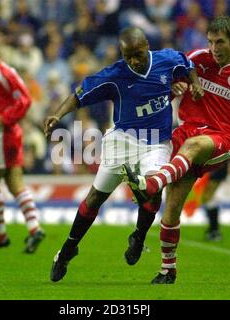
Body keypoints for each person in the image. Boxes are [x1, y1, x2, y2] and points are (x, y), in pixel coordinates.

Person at [122, 16, 230, 284]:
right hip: (185, 136)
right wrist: (173, 86)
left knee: (190, 150)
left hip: (221, 138)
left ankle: (152, 183)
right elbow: (160, 84)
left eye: (220, 42)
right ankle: (168, 271)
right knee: (170, 210)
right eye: (211, 42)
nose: (214, 48)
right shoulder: (195, 59)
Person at [44, 27, 203, 282]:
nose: (133, 61)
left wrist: (193, 82)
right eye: (128, 56)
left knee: (153, 189)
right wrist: (57, 115)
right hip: (123, 140)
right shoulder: (116, 74)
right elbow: (79, 94)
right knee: (96, 197)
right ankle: (68, 249)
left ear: (147, 46)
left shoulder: (168, 60)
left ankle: (138, 237)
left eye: (138, 55)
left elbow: (188, 63)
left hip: (156, 143)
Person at [0, 36, 45, 254]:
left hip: (1, 136)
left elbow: (25, 100)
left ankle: (0, 235)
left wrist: (3, 118)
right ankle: (34, 229)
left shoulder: (4, 73)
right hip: (5, 135)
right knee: (15, 184)